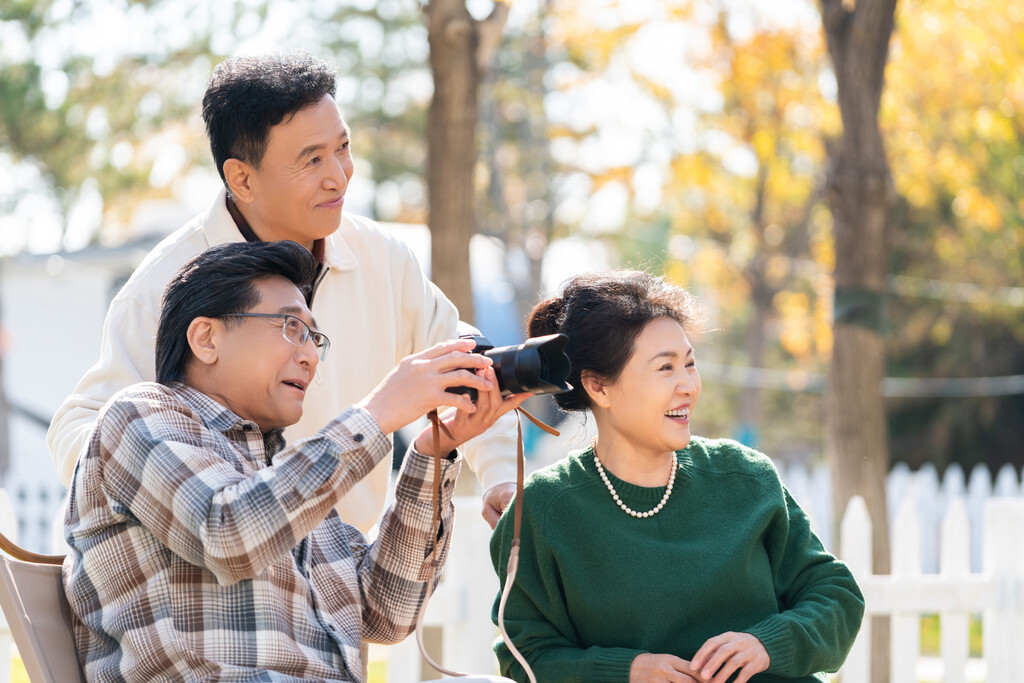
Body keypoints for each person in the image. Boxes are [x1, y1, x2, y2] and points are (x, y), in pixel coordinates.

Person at [47, 50, 518, 532]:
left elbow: (464, 360)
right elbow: (82, 426)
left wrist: (501, 475)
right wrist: (178, 500)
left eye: (342, 146)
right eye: (312, 159)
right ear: (242, 179)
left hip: (344, 581)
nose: (339, 175)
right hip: (218, 586)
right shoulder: (162, 286)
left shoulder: (383, 256)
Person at [63, 240, 527, 682]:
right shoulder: (138, 415)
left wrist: (434, 451)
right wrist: (378, 412)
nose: (309, 356)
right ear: (206, 338)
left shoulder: (284, 472)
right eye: (291, 328)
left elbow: (386, 612)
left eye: (314, 337)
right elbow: (228, 532)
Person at [490, 271, 864, 683]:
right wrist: (626, 671)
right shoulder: (544, 510)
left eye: (690, 363)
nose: (687, 385)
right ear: (599, 388)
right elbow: (525, 659)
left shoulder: (744, 478)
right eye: (665, 368)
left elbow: (835, 595)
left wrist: (767, 644)